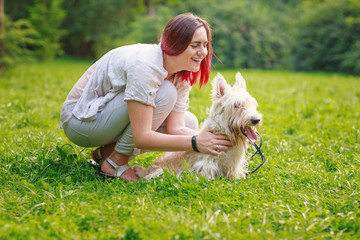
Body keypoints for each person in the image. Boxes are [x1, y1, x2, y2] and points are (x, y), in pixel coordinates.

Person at [59, 13, 233, 181]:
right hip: (81, 122)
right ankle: (115, 162)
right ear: (175, 44)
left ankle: (105, 153)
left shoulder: (182, 73)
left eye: (205, 44)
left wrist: (214, 139)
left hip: (105, 121)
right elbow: (142, 137)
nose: (203, 52)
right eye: (195, 45)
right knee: (166, 93)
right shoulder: (146, 66)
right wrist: (196, 142)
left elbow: (177, 128)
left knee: (190, 123)